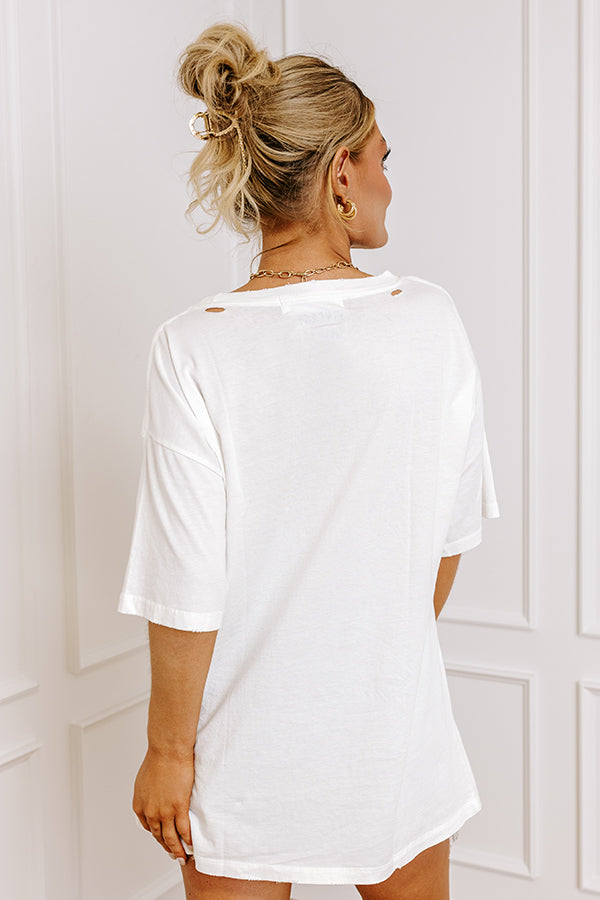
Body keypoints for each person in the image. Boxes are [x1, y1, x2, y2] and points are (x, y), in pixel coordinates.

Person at [117, 19, 500, 900]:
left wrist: (169, 752)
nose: (390, 184)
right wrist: (368, 653)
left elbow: (187, 576)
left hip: (245, 750)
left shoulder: (194, 346)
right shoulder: (430, 319)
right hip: (398, 736)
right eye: (382, 159)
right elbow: (444, 546)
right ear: (340, 176)